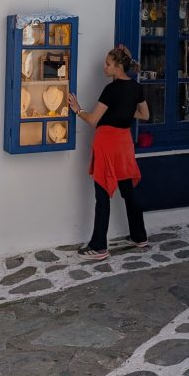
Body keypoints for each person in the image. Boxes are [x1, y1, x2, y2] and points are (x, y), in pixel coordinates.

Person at [67, 45, 150, 260]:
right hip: (124, 143)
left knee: (102, 195)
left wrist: (77, 109)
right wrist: (123, 111)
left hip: (107, 143)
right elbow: (145, 114)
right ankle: (140, 236)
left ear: (118, 66)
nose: (104, 67)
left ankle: (99, 247)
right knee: (128, 191)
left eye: (108, 64)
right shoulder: (135, 87)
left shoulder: (111, 90)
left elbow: (93, 120)